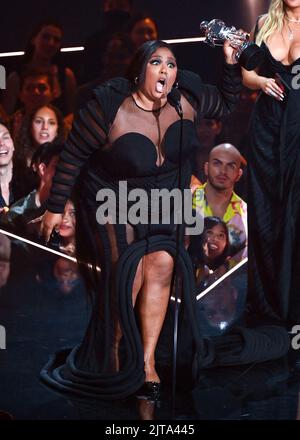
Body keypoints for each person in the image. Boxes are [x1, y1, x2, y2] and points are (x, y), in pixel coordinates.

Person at [40, 39, 242, 400]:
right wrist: (55, 208)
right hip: (113, 197)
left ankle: (147, 363)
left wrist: (229, 62)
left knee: (162, 265)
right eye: (156, 63)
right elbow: (71, 158)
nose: (165, 70)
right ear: (139, 70)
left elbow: (227, 103)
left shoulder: (187, 102)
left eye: (171, 64)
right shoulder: (108, 108)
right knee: (127, 273)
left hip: (166, 197)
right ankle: (115, 355)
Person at [242, 0, 300, 324]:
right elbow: (247, 75)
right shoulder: (264, 22)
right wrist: (262, 83)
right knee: (267, 216)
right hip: (266, 131)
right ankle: (270, 304)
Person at [1, 20, 77, 118]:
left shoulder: (66, 75)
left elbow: (73, 112)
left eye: (56, 40)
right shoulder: (15, 77)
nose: (51, 43)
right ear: (33, 39)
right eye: (45, 37)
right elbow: (7, 116)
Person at [192, 143, 247, 255]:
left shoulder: (246, 216)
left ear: (239, 174)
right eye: (217, 163)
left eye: (231, 166)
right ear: (206, 168)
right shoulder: (185, 202)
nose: (223, 171)